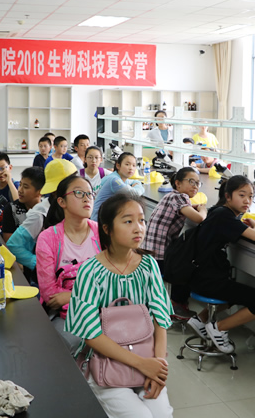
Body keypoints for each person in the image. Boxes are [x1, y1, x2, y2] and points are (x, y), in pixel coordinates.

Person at [65, 193, 173, 418]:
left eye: (142, 220)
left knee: (162, 415)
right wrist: (142, 364)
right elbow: (91, 334)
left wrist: (158, 367)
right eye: (128, 221)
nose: (138, 228)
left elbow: (160, 319)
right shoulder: (90, 271)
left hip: (146, 356)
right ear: (107, 228)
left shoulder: (149, 265)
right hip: (105, 362)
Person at [185, 176, 255, 354]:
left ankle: (200, 319)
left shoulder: (217, 211)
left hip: (198, 276)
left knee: (236, 292)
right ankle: (219, 327)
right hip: (209, 281)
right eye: (242, 195)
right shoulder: (224, 216)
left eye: (251, 196)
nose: (247, 201)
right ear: (228, 196)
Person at [36, 174, 101, 351]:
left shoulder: (102, 234)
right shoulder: (48, 238)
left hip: (103, 313)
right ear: (61, 202)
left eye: (90, 193)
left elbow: (113, 284)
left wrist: (71, 296)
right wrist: (93, 297)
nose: (87, 198)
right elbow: (50, 294)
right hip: (67, 316)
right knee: (64, 345)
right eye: (79, 193)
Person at [143, 167, 207, 317]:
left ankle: (174, 302)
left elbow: (186, 209)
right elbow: (199, 218)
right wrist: (203, 209)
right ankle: (175, 304)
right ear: (178, 183)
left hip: (150, 251)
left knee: (183, 261)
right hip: (159, 255)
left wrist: (193, 207)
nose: (195, 186)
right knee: (188, 268)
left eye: (198, 183)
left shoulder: (171, 196)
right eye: (191, 182)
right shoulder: (180, 197)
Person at [6, 159, 78, 278]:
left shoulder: (72, 207)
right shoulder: (40, 214)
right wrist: (40, 264)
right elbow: (13, 245)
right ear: (55, 191)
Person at [91, 152, 144, 221]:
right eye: (127, 164)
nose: (131, 168)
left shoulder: (122, 178)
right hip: (98, 220)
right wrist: (138, 187)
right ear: (118, 166)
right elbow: (134, 194)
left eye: (134, 165)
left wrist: (137, 184)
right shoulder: (114, 180)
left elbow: (135, 182)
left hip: (108, 215)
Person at [1, 166, 45, 243]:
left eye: (25, 187)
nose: (20, 190)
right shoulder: (11, 209)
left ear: (40, 191)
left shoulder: (46, 210)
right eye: (20, 185)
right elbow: (9, 242)